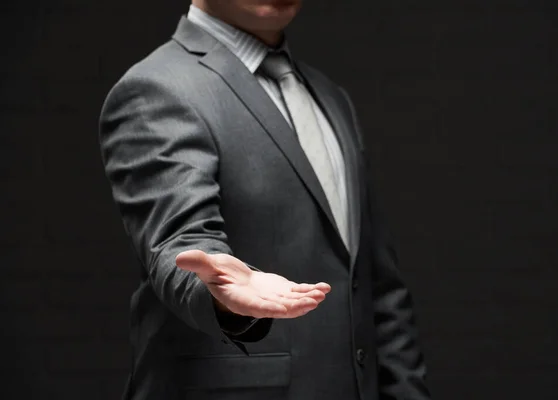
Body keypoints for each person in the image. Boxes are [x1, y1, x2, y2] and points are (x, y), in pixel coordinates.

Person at [99, 1, 431, 399]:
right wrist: (220, 294)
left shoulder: (331, 98)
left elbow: (375, 283)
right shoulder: (157, 89)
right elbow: (180, 244)